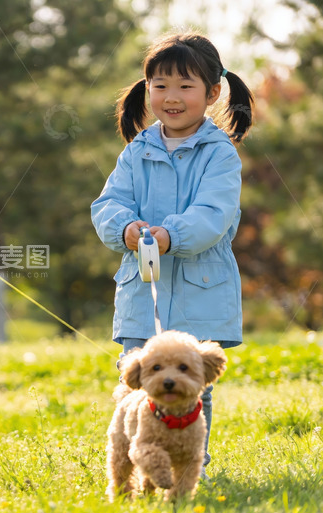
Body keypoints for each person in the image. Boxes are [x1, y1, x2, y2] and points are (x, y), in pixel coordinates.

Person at [90, 31, 254, 473]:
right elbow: (108, 204)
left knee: (192, 388)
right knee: (139, 388)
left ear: (213, 92)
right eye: (160, 85)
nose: (171, 97)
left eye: (185, 86)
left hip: (201, 293)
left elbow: (213, 214)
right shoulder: (136, 152)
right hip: (142, 295)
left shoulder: (219, 154)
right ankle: (134, 462)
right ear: (147, 90)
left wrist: (170, 234)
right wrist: (125, 227)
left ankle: (190, 469)